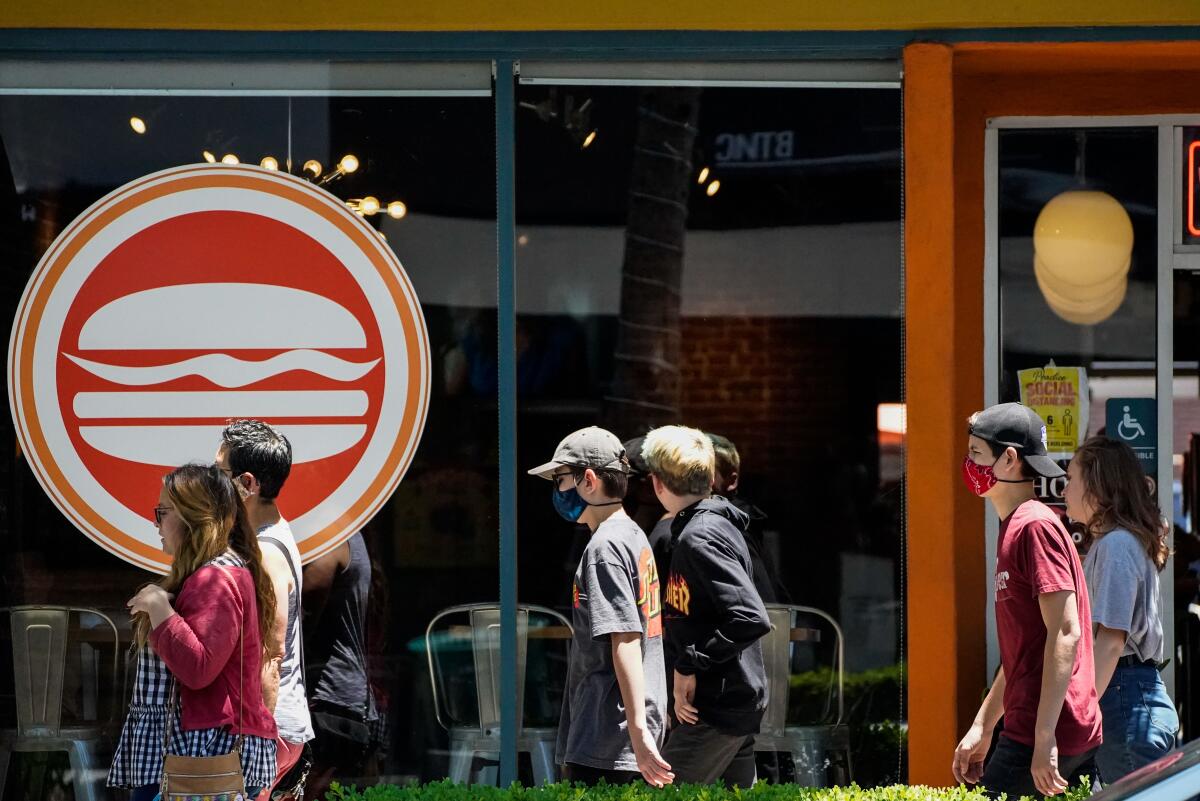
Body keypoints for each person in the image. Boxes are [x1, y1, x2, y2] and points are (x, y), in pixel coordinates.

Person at [952, 403, 1101, 798]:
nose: (968, 463)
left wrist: (1044, 738)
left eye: (975, 453)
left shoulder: (1033, 526)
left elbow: (1065, 632)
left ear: (1010, 459)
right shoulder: (1016, 526)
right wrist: (983, 726)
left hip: (1045, 731)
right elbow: (1027, 649)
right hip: (1036, 728)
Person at [108, 464, 279, 800]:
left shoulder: (214, 578)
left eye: (162, 512)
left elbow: (199, 668)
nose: (155, 522)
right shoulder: (218, 572)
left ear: (192, 518)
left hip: (201, 755)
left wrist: (159, 607)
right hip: (195, 752)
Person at [527, 426, 673, 787]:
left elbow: (625, 638)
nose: (557, 491)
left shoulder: (604, 549)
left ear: (588, 480)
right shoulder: (633, 535)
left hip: (608, 736)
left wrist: (637, 732)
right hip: (622, 734)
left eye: (560, 479)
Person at [642, 425, 771, 787]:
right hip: (728, 697)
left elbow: (749, 617)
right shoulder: (709, 526)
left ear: (657, 484)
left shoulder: (699, 537)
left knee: (660, 792)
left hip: (718, 705)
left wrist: (688, 663)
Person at [1065, 437, 1178, 782]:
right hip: (1126, 696)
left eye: (1071, 479)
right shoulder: (1113, 543)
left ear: (1097, 487)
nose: (1064, 489)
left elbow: (1111, 642)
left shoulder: (1116, 546)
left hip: (1124, 698)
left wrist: (1078, 717)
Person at [217, 420, 314, 799]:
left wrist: (253, 743)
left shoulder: (268, 552)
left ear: (247, 484)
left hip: (270, 728)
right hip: (274, 727)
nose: (213, 483)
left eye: (219, 473)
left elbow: (270, 657)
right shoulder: (265, 539)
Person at [302, 531, 379, 799]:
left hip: (327, 699)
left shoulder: (327, 539)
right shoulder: (348, 534)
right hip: (342, 697)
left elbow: (298, 624)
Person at [707, 433, 789, 604]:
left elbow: (765, 603)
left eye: (705, 473)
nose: (694, 480)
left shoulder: (732, 528)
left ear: (731, 481)